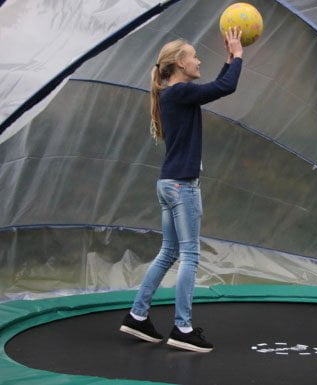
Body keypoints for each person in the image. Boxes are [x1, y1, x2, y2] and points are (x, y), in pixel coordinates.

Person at [119, 27, 244, 353]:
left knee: (169, 252)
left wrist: (229, 61)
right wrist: (239, 57)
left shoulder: (173, 94)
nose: (199, 60)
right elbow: (225, 87)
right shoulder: (177, 93)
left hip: (168, 184)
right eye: (194, 56)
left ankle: (137, 315)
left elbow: (215, 86)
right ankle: (183, 327)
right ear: (178, 63)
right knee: (189, 255)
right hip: (181, 186)